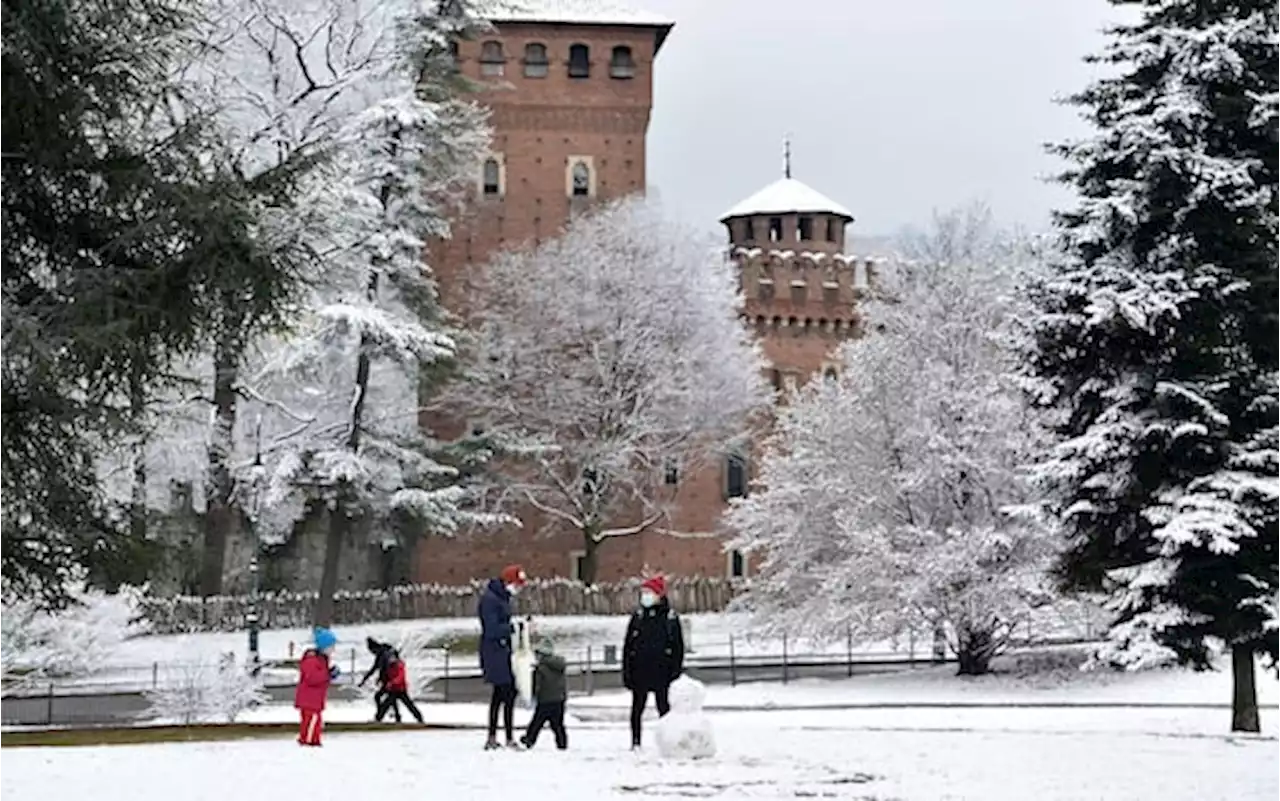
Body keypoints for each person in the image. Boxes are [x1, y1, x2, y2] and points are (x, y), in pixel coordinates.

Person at [622, 574, 685, 750]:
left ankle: (667, 741)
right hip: (640, 672)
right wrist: (627, 672)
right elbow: (628, 647)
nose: (645, 596)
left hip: (662, 673)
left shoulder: (669, 618)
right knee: (637, 709)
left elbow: (678, 648)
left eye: (649, 592)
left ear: (659, 594)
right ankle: (635, 742)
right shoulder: (638, 617)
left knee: (664, 709)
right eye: (643, 593)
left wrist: (675, 672)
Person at [479, 563, 527, 750]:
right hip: (495, 652)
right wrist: (512, 628)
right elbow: (491, 629)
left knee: (503, 694)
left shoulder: (501, 598)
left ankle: (498, 736)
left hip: (503, 650)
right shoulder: (491, 600)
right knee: (504, 692)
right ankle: (501, 736)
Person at [295, 627, 340, 747]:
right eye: (331, 647)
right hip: (310, 700)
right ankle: (308, 741)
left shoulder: (321, 660)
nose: (333, 649)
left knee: (315, 721)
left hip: (314, 699)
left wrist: (329, 674)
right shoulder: (312, 660)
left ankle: (313, 740)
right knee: (311, 721)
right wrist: (328, 674)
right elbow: (312, 678)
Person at [520, 639, 568, 751]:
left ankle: (529, 739)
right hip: (559, 700)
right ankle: (562, 743)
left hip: (545, 700)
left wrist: (533, 696)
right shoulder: (559, 666)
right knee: (558, 724)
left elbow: (537, 686)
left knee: (537, 722)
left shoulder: (540, 669)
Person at [375, 651, 424, 723]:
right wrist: (380, 680)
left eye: (392, 657)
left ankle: (419, 719)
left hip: (401, 689)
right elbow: (387, 675)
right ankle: (378, 719)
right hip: (393, 690)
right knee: (386, 704)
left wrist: (392, 682)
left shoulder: (399, 665)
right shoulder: (390, 666)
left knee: (409, 705)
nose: (390, 659)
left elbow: (400, 677)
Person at [359, 637, 399, 721]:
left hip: (391, 681)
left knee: (382, 697)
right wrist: (364, 680)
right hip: (389, 681)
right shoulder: (380, 655)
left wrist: (384, 679)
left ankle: (380, 716)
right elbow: (373, 669)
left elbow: (388, 668)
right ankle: (395, 717)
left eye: (372, 651)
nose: (372, 653)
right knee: (390, 699)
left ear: (375, 648)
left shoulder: (385, 654)